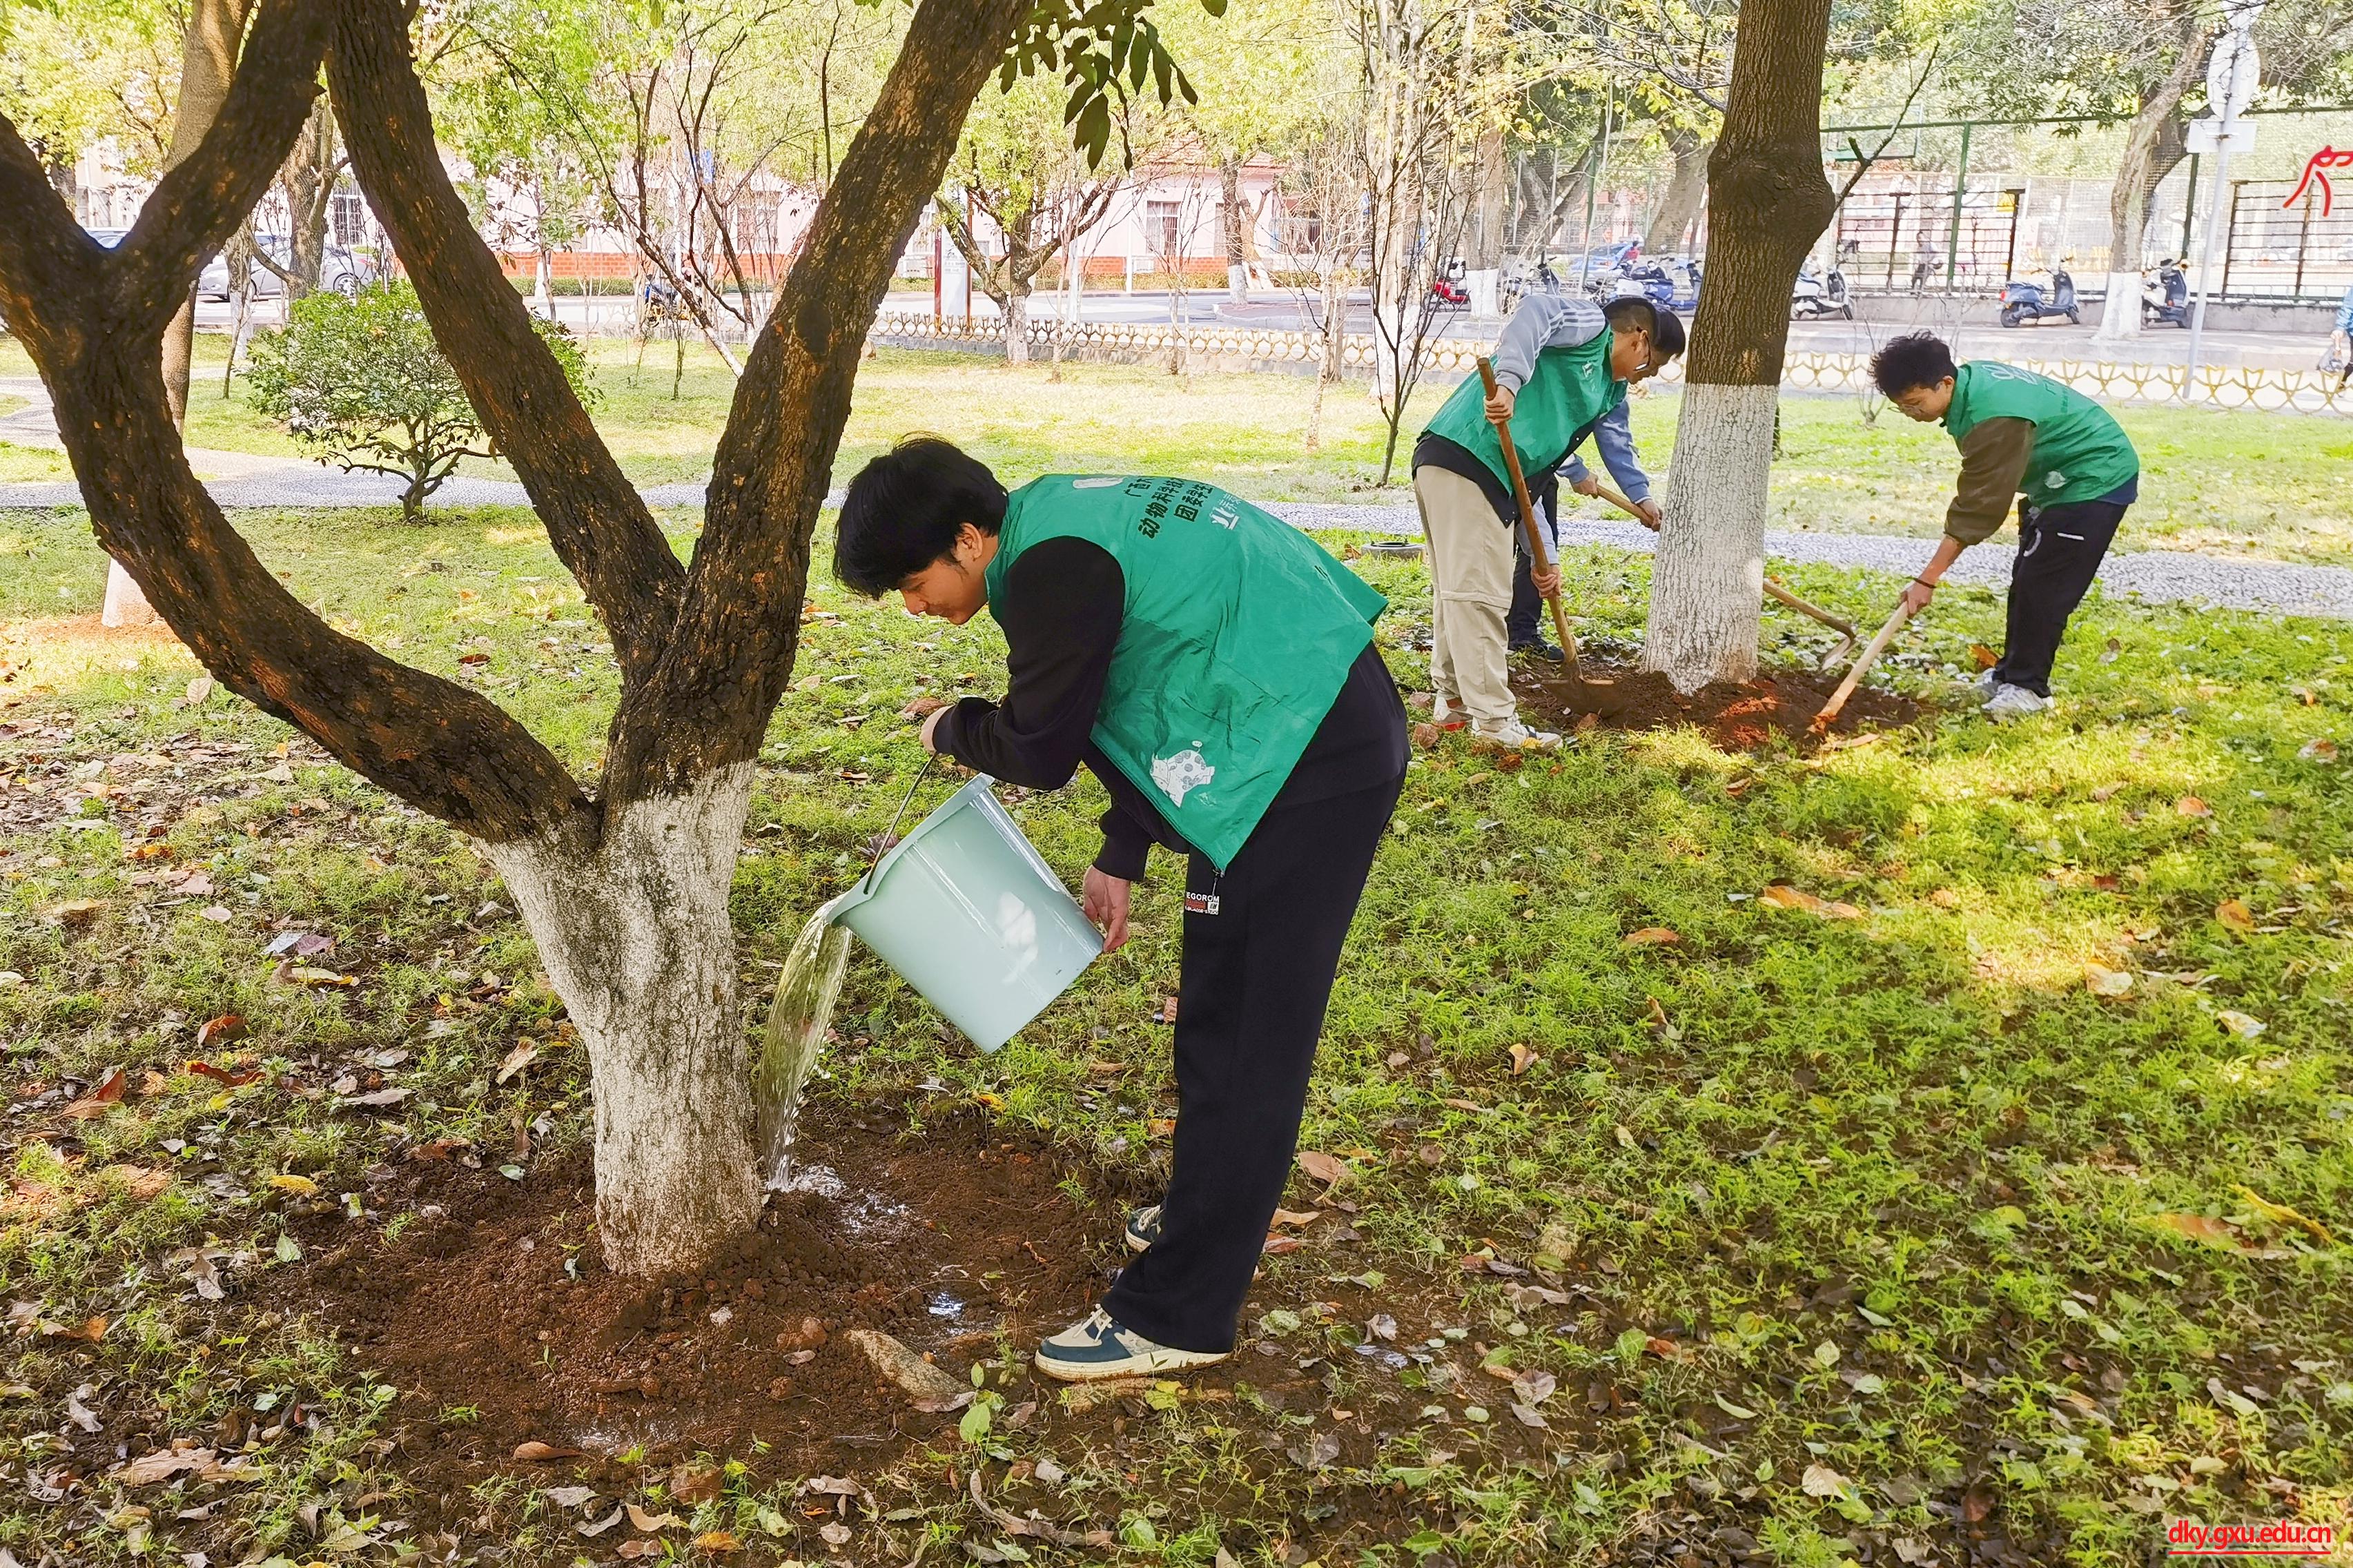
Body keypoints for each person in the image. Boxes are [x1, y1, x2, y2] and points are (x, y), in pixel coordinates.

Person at [832, 438, 1408, 1383]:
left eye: (911, 582)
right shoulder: (1058, 519)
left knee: (1241, 1041)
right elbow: (1127, 679)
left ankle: (1181, 1313)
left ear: (967, 540)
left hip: (1299, 763)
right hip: (1287, 727)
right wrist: (1122, 848)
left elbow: (1040, 745)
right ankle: (1202, 1214)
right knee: (1222, 1022)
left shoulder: (1050, 570)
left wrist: (951, 727)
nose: (914, 606)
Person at [1409, 291, 1683, 748]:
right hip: (1471, 456)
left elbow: (1538, 475)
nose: (1643, 376)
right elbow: (1537, 312)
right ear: (1639, 339)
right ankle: (1495, 724)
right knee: (1478, 597)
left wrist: (1548, 556)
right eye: (1648, 366)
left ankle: (1453, 702)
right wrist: (1508, 385)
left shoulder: (1609, 393)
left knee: (1458, 593)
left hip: (1474, 469)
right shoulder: (1590, 327)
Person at [1869, 332, 2140, 720]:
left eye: (1915, 403)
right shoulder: (1971, 384)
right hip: (2056, 482)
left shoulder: (1993, 417)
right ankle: (2010, 675)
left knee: (2045, 589)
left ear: (1945, 383)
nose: (1911, 414)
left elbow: (1979, 508)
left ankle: (2030, 690)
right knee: (2028, 581)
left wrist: (1927, 580)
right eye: (1902, 408)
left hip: (2093, 478)